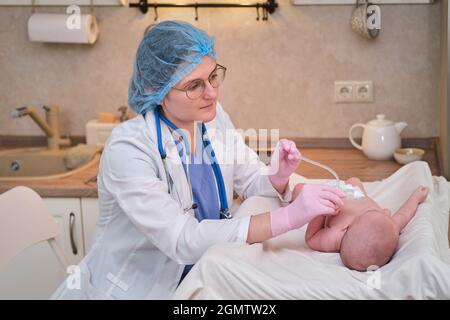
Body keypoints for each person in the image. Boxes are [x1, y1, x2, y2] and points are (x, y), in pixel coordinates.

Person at [51, 20, 345, 299]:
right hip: (137, 289)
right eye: (195, 85)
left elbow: (251, 179)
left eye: (213, 76)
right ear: (158, 90)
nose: (212, 93)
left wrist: (278, 176)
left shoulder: (213, 120)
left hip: (203, 275)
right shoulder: (129, 148)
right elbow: (181, 239)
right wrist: (290, 217)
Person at [298, 178, 429, 271]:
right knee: (354, 181)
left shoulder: (336, 236)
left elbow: (311, 238)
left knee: (300, 189)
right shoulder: (390, 227)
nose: (386, 212)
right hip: (357, 194)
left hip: (333, 196)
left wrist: (321, 211)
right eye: (383, 213)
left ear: (346, 228)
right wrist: (415, 198)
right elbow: (404, 214)